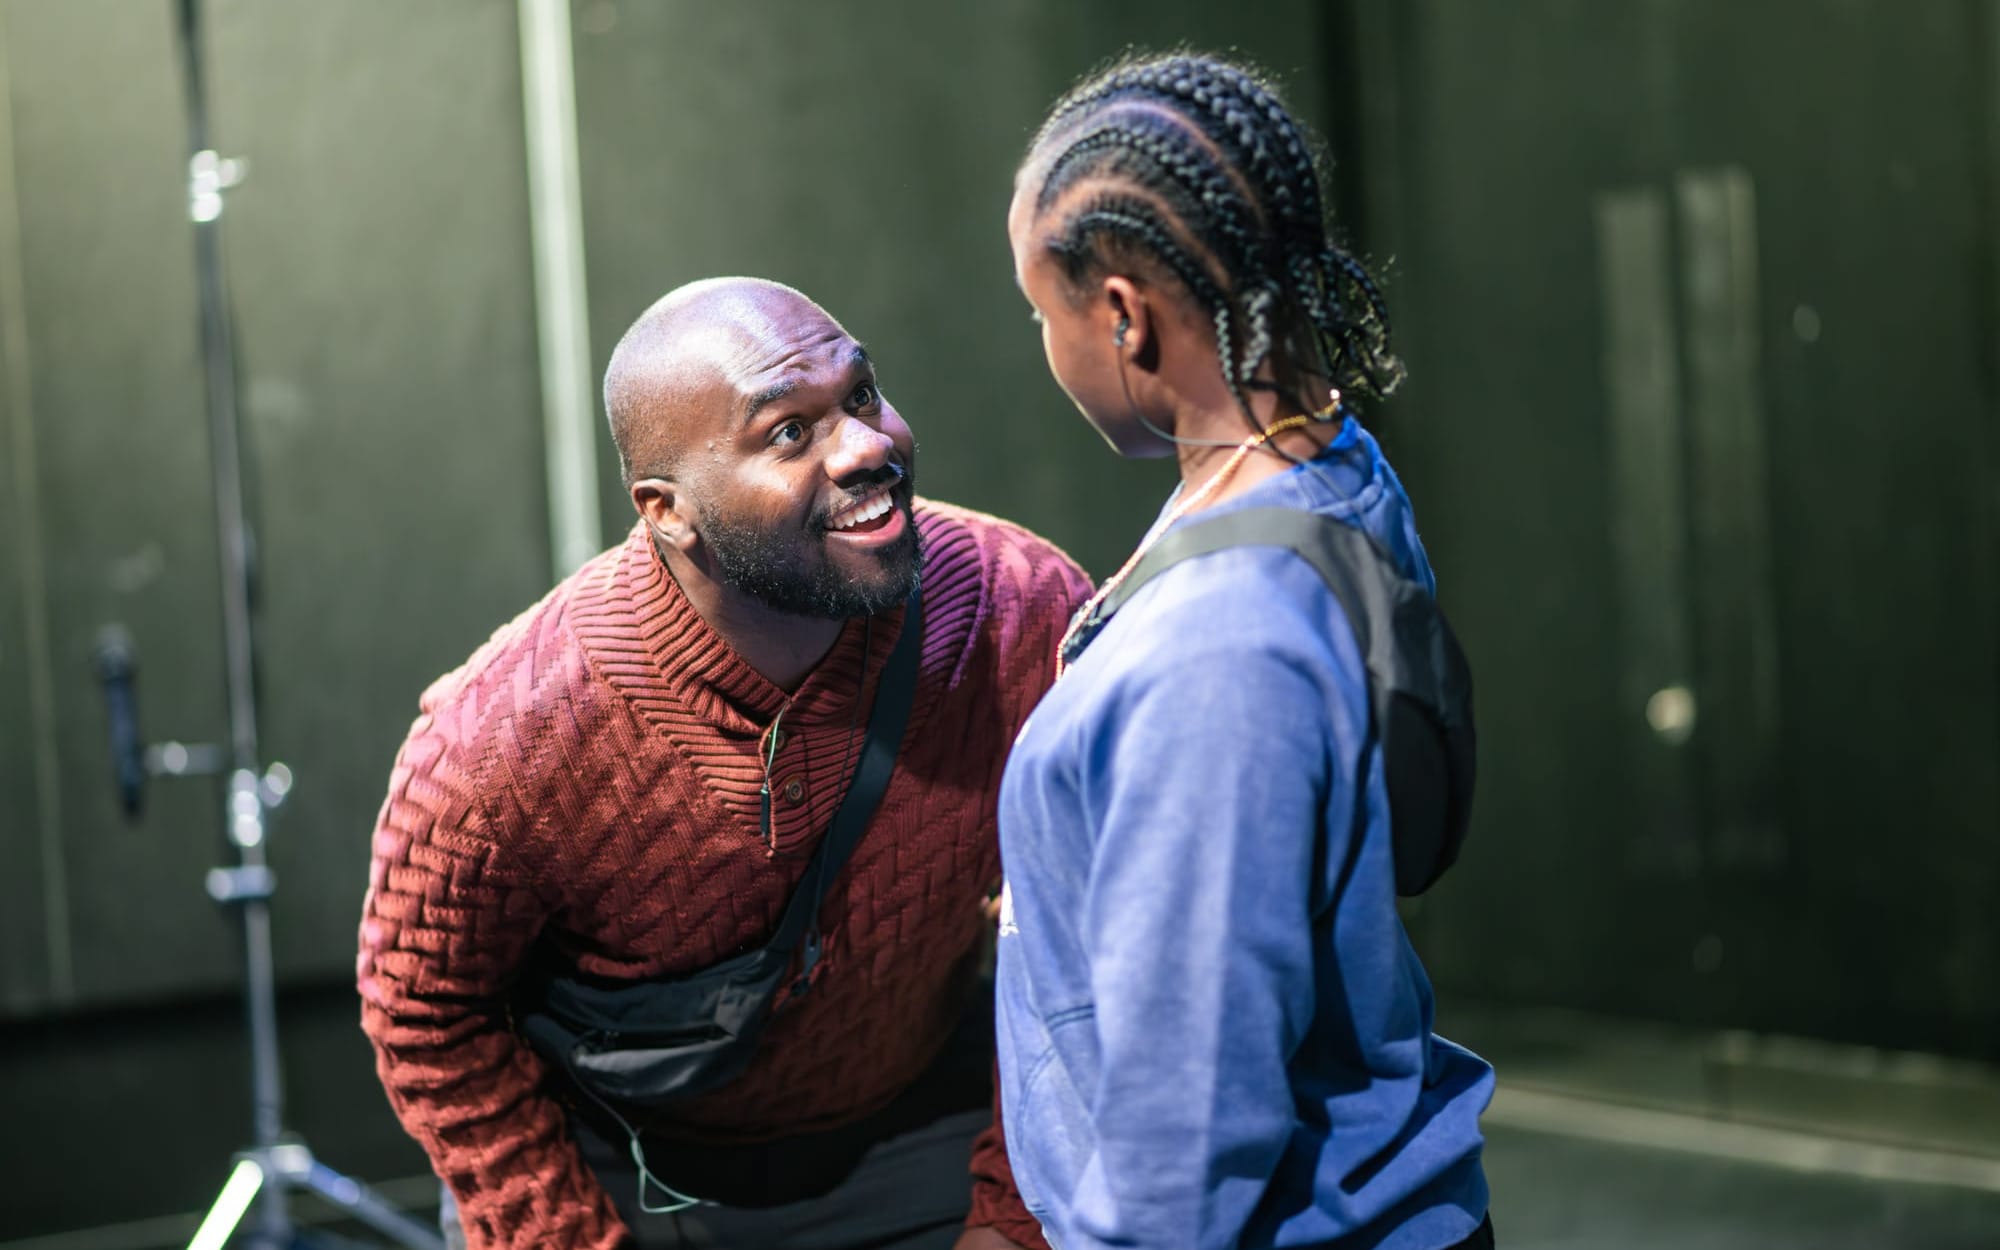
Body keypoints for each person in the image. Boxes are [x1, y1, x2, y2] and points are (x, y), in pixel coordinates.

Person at [358, 277, 1086, 1250]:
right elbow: (424, 1008)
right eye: (789, 433)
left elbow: (1085, 933)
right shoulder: (505, 733)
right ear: (666, 510)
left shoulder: (1016, 607)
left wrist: (1012, 1210)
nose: (868, 446)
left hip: (922, 1131)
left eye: (861, 395)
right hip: (628, 1163)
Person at [994, 52, 1496, 1250]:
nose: (1043, 344)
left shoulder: (1218, 656)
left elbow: (1187, 1142)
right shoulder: (1326, 463)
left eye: (1039, 311)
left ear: (1119, 313)